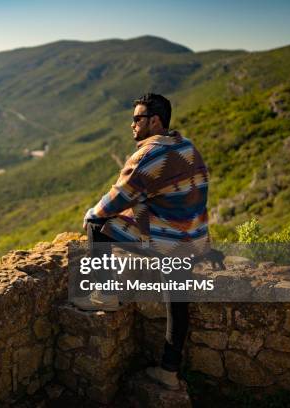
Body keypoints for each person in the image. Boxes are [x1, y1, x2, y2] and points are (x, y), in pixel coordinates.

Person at [76, 93, 211, 390]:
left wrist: (91, 214)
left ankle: (106, 294)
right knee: (177, 303)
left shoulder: (148, 155)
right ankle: (169, 372)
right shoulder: (187, 146)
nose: (132, 125)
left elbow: (117, 197)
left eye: (137, 119)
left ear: (155, 121)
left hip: (168, 240)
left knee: (100, 224)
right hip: (193, 238)